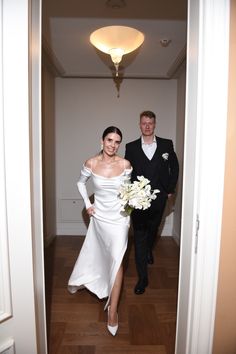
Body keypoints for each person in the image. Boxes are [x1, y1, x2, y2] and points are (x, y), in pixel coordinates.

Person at [68, 126, 132, 336]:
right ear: (102, 141)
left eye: (117, 141)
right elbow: (80, 183)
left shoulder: (125, 164)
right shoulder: (91, 162)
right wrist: (88, 204)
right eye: (109, 140)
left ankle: (112, 312)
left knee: (117, 259)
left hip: (120, 219)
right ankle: (91, 279)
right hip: (100, 217)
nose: (113, 145)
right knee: (99, 253)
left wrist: (132, 205)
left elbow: (129, 192)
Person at [125, 110, 179, 295]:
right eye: (144, 123)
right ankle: (143, 278)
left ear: (155, 124)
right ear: (139, 125)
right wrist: (128, 194)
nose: (147, 126)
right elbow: (127, 173)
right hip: (138, 200)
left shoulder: (166, 144)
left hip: (159, 198)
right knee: (139, 235)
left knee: (154, 228)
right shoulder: (131, 147)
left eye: (150, 123)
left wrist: (170, 189)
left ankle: (149, 249)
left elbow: (175, 166)